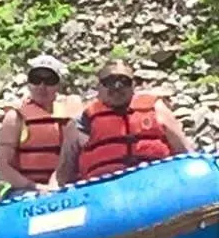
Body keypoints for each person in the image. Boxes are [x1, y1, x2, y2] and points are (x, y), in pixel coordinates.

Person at [53, 59, 194, 186]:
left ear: (133, 85)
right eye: (109, 81)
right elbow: (62, 176)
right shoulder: (81, 123)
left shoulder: (156, 109)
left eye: (124, 81)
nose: (117, 86)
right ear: (99, 88)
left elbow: (186, 152)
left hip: (157, 184)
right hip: (105, 190)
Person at [0, 54, 82, 196]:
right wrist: (35, 187)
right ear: (29, 84)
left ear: (58, 85)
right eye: (36, 80)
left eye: (49, 80)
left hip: (64, 186)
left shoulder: (71, 113)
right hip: (26, 189)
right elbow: (3, 166)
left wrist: (55, 184)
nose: (42, 86)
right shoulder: (15, 118)